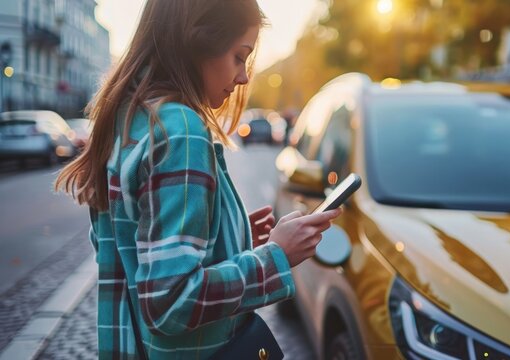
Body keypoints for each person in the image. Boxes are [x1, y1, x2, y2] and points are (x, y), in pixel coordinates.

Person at [54, 0, 341, 358]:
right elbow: (170, 302)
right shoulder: (180, 131)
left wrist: (226, 236)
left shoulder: (129, 120)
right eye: (239, 56)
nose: (244, 77)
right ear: (198, 42)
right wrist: (276, 256)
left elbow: (138, 253)